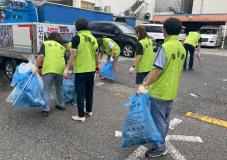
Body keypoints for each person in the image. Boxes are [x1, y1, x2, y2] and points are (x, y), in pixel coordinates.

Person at [138, 17, 186, 158]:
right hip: (171, 91)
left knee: (158, 122)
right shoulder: (181, 48)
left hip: (159, 92)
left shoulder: (165, 47)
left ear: (164, 30)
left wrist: (145, 84)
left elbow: (157, 70)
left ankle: (160, 148)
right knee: (164, 120)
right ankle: (161, 142)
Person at [64, 18, 98, 122]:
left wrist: (67, 68)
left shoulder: (77, 38)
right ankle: (89, 110)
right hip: (91, 69)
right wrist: (97, 66)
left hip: (81, 70)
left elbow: (73, 54)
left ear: (77, 27)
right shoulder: (93, 38)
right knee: (89, 91)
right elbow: (96, 54)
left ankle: (81, 116)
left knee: (80, 92)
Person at [36, 32, 66, 117]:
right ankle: (61, 104)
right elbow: (64, 59)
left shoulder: (45, 43)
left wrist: (36, 67)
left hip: (49, 69)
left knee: (46, 89)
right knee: (59, 87)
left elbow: (41, 56)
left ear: (49, 37)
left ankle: (46, 109)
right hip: (60, 69)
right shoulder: (62, 47)